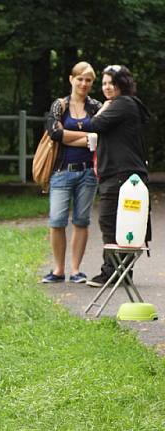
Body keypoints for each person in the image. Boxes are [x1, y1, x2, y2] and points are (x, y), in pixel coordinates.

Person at [73, 65, 151, 288]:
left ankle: (111, 273)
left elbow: (94, 124)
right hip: (124, 173)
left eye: (111, 83)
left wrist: (103, 108)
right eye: (105, 83)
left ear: (122, 84)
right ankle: (122, 272)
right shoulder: (128, 104)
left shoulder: (122, 103)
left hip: (121, 174)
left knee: (111, 221)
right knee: (124, 222)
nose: (107, 87)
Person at [40, 62, 102, 284]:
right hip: (61, 172)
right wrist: (87, 138)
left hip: (88, 173)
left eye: (88, 80)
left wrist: (72, 137)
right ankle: (58, 270)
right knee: (57, 220)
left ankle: (76, 270)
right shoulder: (60, 105)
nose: (84, 83)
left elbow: (102, 134)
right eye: (80, 79)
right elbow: (55, 133)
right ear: (71, 79)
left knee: (81, 221)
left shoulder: (96, 106)